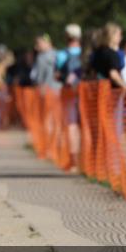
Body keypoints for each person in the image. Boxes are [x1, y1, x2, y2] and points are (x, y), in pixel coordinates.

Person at [55, 23, 83, 171]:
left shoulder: (61, 54)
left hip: (67, 93)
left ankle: (74, 161)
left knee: (71, 124)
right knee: (84, 124)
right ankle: (88, 160)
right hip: (85, 91)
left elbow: (57, 75)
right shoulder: (85, 53)